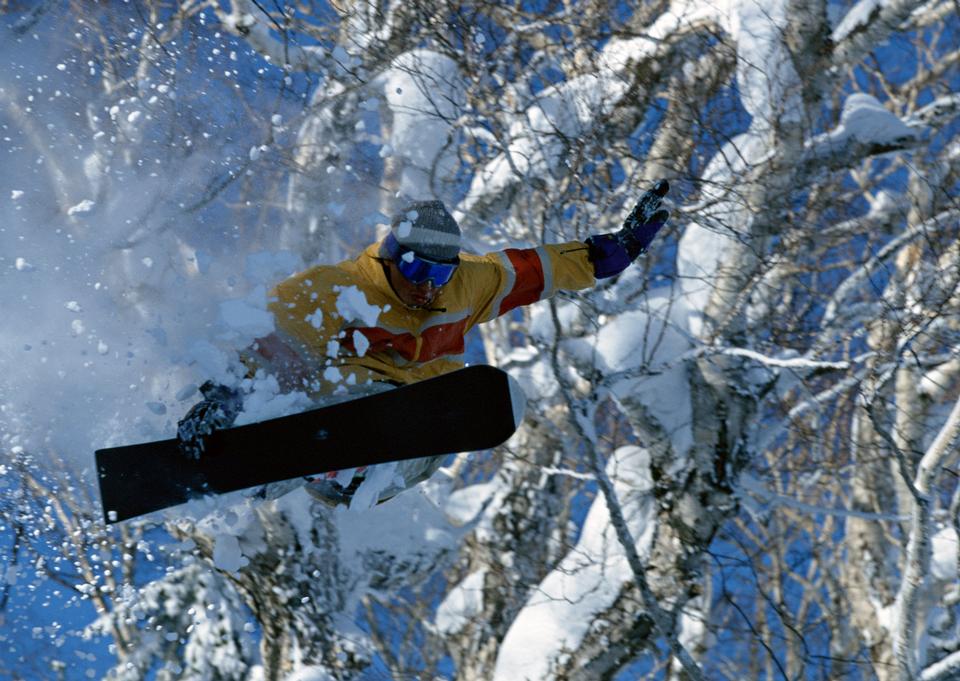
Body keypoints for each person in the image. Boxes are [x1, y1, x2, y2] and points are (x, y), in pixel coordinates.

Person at [178, 181, 671, 506]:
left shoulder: (470, 283)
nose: (427, 285)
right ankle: (276, 468)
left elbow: (544, 268)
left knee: (465, 418)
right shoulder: (333, 288)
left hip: (414, 426)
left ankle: (358, 474)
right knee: (336, 389)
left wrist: (620, 248)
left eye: (440, 272)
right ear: (391, 256)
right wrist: (221, 401)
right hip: (345, 402)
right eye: (416, 269)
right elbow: (266, 348)